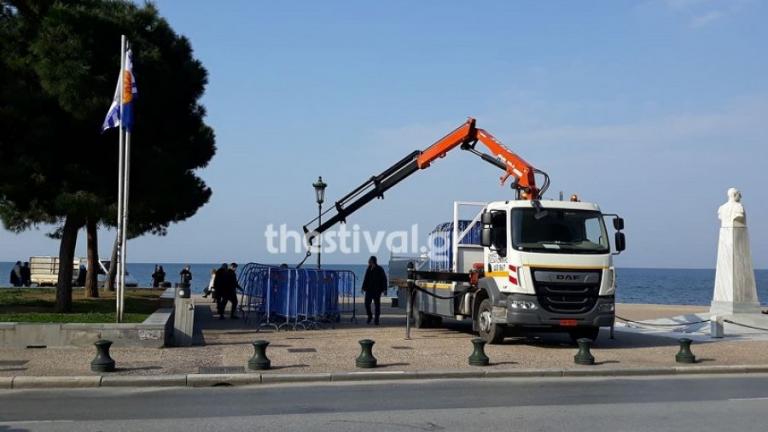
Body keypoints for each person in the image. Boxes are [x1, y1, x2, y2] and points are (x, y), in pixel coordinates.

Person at [361, 256, 387, 325]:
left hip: (377, 290)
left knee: (377, 305)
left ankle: (376, 320)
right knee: (367, 304)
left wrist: (385, 289)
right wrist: (363, 288)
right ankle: (370, 316)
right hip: (369, 290)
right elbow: (365, 279)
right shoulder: (368, 269)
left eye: (369, 260)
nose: (368, 261)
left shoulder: (380, 269)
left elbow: (384, 279)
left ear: (372, 261)